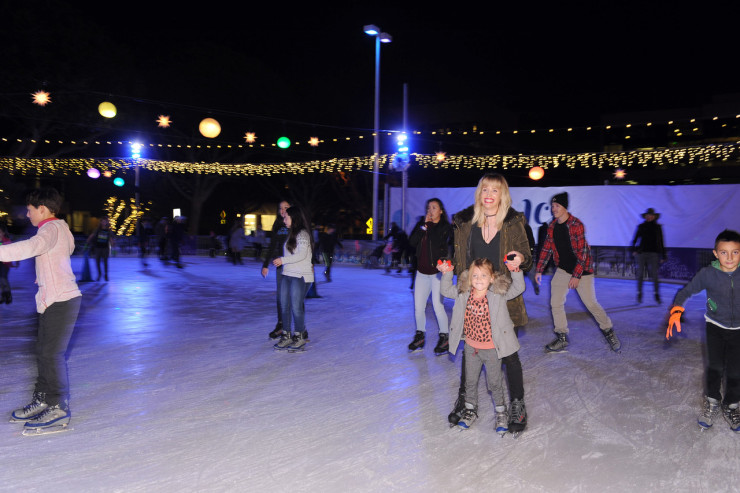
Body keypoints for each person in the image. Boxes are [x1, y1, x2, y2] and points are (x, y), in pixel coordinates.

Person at [448, 173, 532, 434]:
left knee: (509, 355)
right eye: (485, 189)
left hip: (503, 298)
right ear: (479, 193)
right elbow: (460, 261)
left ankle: (517, 403)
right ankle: (465, 399)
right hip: (474, 299)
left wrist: (519, 259)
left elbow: (526, 255)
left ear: (502, 195)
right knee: (470, 351)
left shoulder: (513, 222)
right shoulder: (465, 223)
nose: (489, 194)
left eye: (494, 190)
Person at [0, 188, 82, 434]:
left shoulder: (51, 229)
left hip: (61, 300)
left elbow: (31, 247)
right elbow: (61, 252)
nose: (27, 214)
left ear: (43, 209)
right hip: (53, 300)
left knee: (50, 354)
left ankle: (57, 406)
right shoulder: (59, 229)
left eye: (30, 209)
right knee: (43, 352)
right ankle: (44, 399)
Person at [439, 256, 524, 432]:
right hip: (471, 347)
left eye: (483, 275)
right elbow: (446, 290)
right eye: (475, 275)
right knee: (470, 381)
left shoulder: (497, 294)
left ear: (492, 278)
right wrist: (447, 273)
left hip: (492, 349)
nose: (478, 279)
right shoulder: (464, 293)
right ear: (469, 278)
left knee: (494, 383)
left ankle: (501, 412)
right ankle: (470, 410)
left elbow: (518, 288)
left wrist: (515, 271)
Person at [666, 229, 740, 432]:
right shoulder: (707, 274)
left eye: (735, 252)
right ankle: (712, 401)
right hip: (715, 327)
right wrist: (677, 309)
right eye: (724, 252)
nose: (730, 257)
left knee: (736, 372)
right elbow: (686, 291)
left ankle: (732, 405)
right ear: (715, 253)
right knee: (715, 368)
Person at [535, 192, 621, 353]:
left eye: (557, 206)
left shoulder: (576, 224)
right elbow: (546, 249)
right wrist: (539, 269)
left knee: (591, 304)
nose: (554, 209)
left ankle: (608, 331)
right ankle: (561, 337)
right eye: (552, 206)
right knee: (556, 302)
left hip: (583, 270)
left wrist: (576, 275)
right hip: (563, 269)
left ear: (564, 207)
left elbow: (583, 253)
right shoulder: (552, 226)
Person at [407, 198, 453, 355]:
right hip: (421, 272)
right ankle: (420, 336)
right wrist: (423, 226)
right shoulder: (423, 225)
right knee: (418, 307)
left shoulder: (445, 227)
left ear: (441, 211)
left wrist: (428, 226)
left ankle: (444, 338)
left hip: (437, 274)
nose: (430, 210)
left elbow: (438, 242)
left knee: (437, 306)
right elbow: (412, 242)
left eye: (434, 207)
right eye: (428, 207)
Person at [272, 206, 314, 352]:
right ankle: (286, 335)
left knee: (296, 307)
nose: (284, 219)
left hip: (300, 276)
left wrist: (282, 260)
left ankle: (299, 337)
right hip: (287, 274)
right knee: (284, 306)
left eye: (286, 217)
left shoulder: (303, 234)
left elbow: (302, 255)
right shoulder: (291, 234)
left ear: (294, 218)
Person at [262, 200, 291, 339]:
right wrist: (265, 264)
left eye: (286, 207)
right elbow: (272, 244)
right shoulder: (278, 224)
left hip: (294, 266)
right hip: (280, 265)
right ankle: (281, 325)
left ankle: (299, 328)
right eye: (280, 208)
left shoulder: (295, 225)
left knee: (293, 297)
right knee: (280, 296)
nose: (283, 210)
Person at [631, 207, 666, 304]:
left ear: (654, 217)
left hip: (654, 254)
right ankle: (639, 293)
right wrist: (634, 250)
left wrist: (663, 255)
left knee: (654, 275)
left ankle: (656, 294)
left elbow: (661, 241)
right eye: (647, 215)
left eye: (651, 215)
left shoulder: (658, 227)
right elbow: (635, 239)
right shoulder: (641, 226)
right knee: (640, 274)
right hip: (641, 253)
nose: (649, 217)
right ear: (645, 216)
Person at [87, 216, 113, 281]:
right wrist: (88, 240)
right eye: (103, 221)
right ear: (101, 222)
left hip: (105, 248)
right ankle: (99, 274)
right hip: (98, 248)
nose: (104, 223)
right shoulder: (97, 229)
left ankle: (106, 275)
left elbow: (110, 238)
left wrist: (112, 243)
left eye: (105, 221)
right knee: (97, 262)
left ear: (107, 222)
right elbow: (92, 235)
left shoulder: (108, 230)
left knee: (105, 262)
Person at [0, 223, 14, 303]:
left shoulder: (7, 241)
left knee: (3, 278)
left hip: (5, 263)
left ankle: (8, 295)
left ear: (3, 233)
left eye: (0, 232)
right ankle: (2, 296)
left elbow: (10, 250)